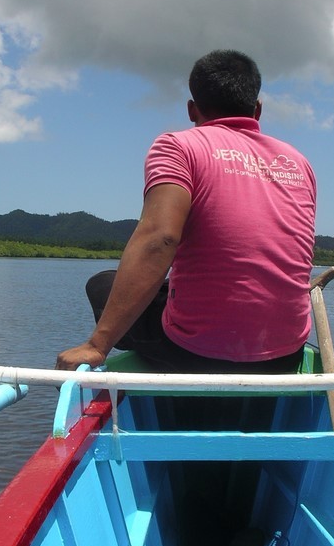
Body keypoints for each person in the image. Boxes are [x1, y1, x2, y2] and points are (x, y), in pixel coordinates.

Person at [56, 49, 316, 374]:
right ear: (257, 110)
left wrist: (97, 345)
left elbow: (160, 238)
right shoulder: (298, 162)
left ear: (192, 109)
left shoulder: (178, 147)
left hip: (195, 353)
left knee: (102, 283)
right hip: (284, 356)